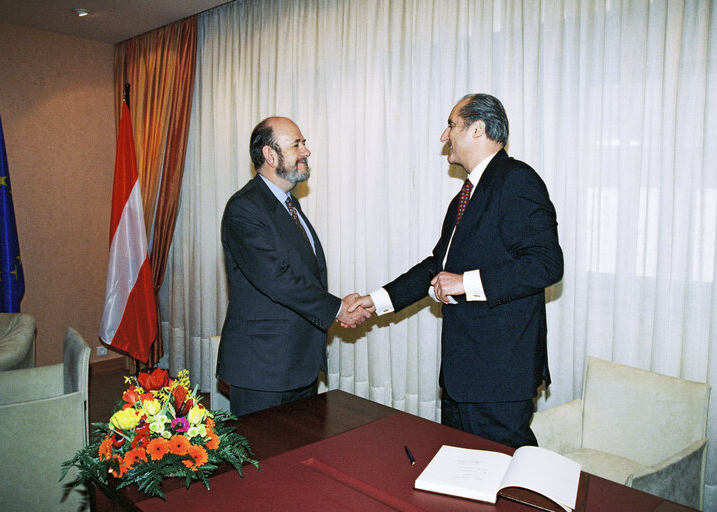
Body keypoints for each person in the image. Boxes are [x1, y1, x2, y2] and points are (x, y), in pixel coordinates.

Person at [350, 94, 563, 448]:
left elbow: (546, 263)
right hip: (462, 377)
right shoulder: (464, 196)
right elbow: (438, 266)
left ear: (477, 129)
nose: (443, 136)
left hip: (499, 378)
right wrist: (376, 301)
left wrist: (467, 283)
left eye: (451, 125)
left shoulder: (517, 180)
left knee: (504, 484)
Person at [217, 116, 370, 416]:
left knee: (298, 457)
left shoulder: (289, 205)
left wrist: (336, 306)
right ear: (270, 156)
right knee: (261, 459)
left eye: (304, 143)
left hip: (299, 363)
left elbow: (304, 275)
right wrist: (338, 308)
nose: (306, 152)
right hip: (264, 369)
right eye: (296, 144)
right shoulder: (244, 208)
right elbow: (277, 279)